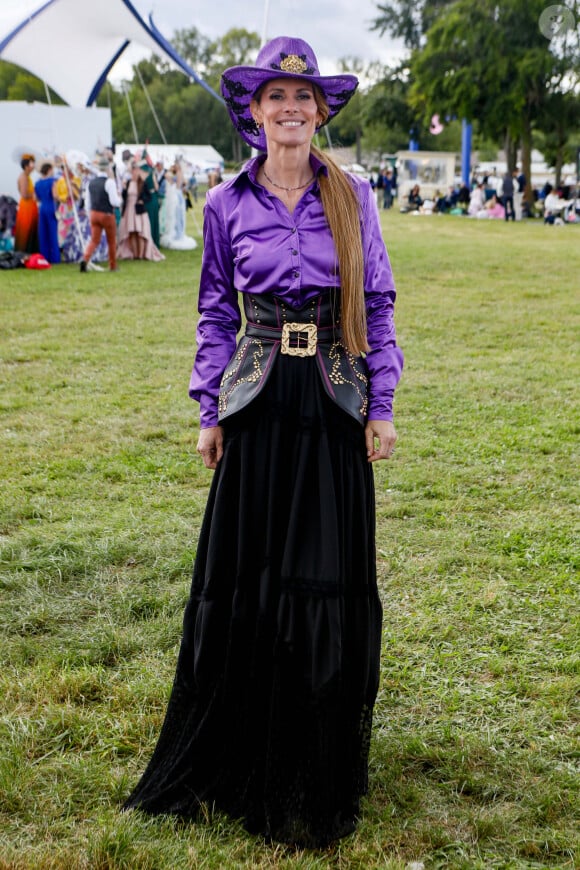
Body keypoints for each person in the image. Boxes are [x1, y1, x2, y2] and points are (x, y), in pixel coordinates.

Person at [123, 35, 403, 848]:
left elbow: (377, 306)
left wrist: (380, 405)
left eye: (302, 96)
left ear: (320, 111)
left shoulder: (354, 198)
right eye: (274, 96)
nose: (288, 108)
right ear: (255, 112)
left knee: (318, 574)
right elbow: (216, 314)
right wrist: (208, 409)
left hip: (331, 402)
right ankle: (238, 745)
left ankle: (309, 761)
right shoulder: (223, 205)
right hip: (253, 401)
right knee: (247, 576)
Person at [80, 155, 121, 272]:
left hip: (94, 213)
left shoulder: (90, 183)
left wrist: (89, 214)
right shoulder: (110, 182)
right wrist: (120, 200)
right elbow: (114, 202)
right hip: (106, 213)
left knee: (94, 240)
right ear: (108, 168)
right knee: (111, 241)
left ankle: (85, 258)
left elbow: (87, 201)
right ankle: (113, 265)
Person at [117, 162, 164, 262]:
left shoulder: (142, 183)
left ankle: (142, 253)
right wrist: (124, 189)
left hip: (139, 210)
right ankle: (135, 254)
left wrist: (142, 200)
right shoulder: (128, 182)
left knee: (141, 232)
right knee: (132, 232)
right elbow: (124, 196)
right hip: (129, 209)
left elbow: (149, 196)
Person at [34, 161, 60, 264]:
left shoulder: (37, 183)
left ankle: (44, 256)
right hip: (51, 206)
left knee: (43, 233)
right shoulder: (53, 181)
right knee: (52, 233)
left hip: (42, 207)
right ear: (49, 170)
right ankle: (54, 257)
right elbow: (55, 196)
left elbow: (36, 198)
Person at [13, 154, 39, 253]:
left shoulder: (27, 177)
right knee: (25, 230)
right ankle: (23, 252)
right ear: (26, 166)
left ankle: (30, 251)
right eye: (32, 163)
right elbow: (24, 194)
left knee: (31, 229)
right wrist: (34, 194)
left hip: (30, 206)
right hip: (26, 206)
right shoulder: (23, 177)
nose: (33, 166)